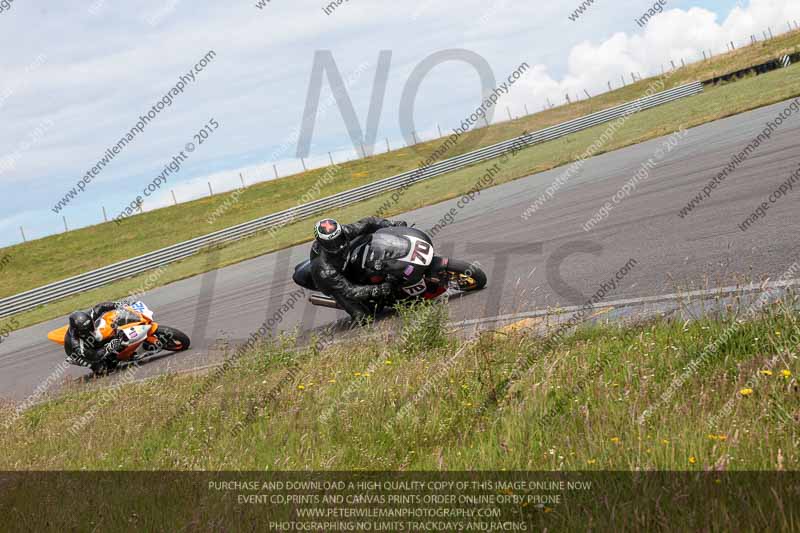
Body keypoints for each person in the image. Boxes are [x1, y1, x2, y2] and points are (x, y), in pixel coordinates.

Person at [302, 217, 406, 323]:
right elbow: (350, 291)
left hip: (342, 260)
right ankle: (358, 313)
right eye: (331, 243)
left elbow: (368, 223)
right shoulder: (323, 268)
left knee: (368, 239)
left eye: (338, 238)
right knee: (364, 318)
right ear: (322, 243)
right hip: (333, 282)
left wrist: (392, 224)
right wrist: (378, 289)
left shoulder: (344, 232)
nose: (338, 244)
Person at [64, 302, 129, 371]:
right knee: (101, 368)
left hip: (87, 339)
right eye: (87, 329)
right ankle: (97, 365)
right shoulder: (75, 344)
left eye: (91, 325)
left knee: (104, 336)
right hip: (78, 354)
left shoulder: (88, 318)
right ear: (80, 331)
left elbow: (100, 307)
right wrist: (109, 348)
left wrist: (116, 305)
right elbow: (93, 355)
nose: (91, 329)